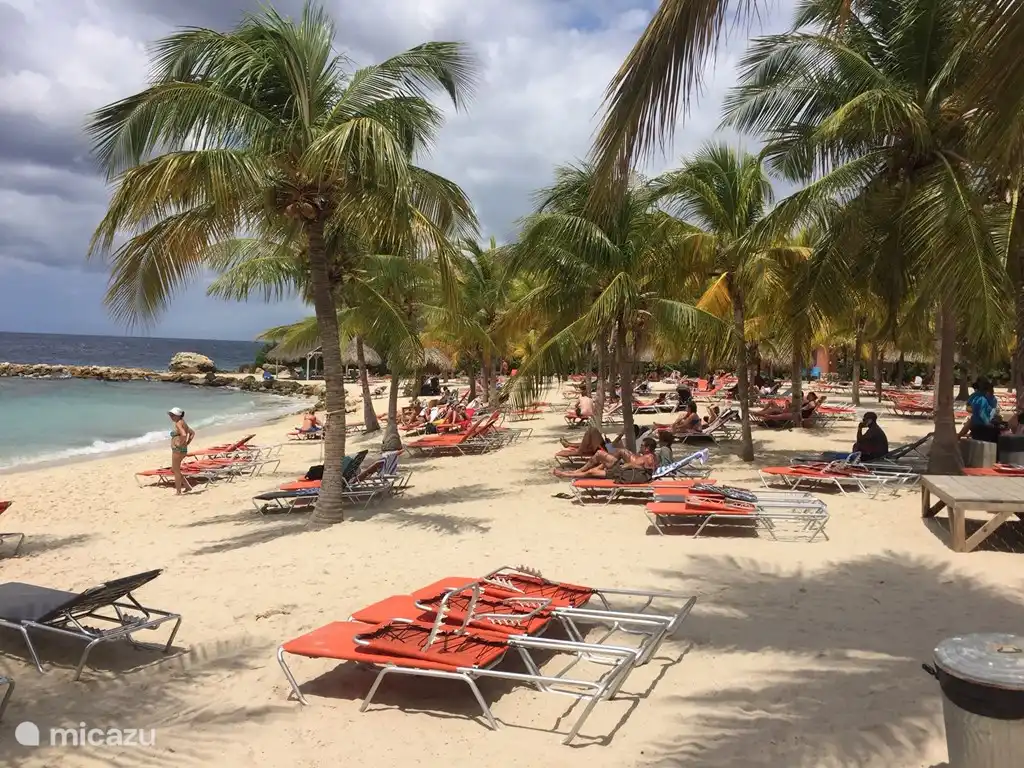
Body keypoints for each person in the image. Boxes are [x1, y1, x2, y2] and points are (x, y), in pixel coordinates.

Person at [553, 437, 659, 481]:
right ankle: (572, 473)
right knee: (619, 451)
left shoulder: (648, 458)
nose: (640, 447)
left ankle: (568, 474)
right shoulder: (651, 456)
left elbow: (643, 468)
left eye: (642, 446)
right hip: (624, 469)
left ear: (648, 448)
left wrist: (628, 465)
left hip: (622, 472)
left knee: (592, 469)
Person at [960, 378, 999, 443]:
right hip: (981, 424)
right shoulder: (978, 397)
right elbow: (983, 413)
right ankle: (959, 436)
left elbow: (991, 411)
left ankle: (959, 436)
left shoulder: (991, 398)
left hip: (982, 423)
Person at [168, 407, 195, 495]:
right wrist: (187, 443)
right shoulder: (183, 423)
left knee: (175, 470)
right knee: (175, 469)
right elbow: (192, 433)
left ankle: (178, 492)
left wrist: (180, 443)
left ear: (178, 416)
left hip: (177, 450)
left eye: (172, 415)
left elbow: (183, 434)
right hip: (183, 449)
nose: (171, 417)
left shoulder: (178, 424)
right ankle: (187, 486)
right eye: (170, 415)